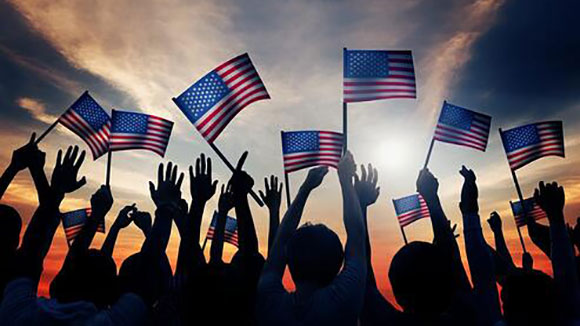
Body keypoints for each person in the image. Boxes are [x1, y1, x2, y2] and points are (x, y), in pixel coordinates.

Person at [0, 145, 147, 326]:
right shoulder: (108, 322)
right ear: (113, 294)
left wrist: (58, 192)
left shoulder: (19, 313)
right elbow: (148, 275)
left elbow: (31, 255)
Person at [256, 151, 367, 326]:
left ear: (289, 259)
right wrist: (345, 180)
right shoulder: (344, 301)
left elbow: (281, 240)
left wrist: (305, 188)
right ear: (338, 262)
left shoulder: (269, 300)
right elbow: (357, 234)